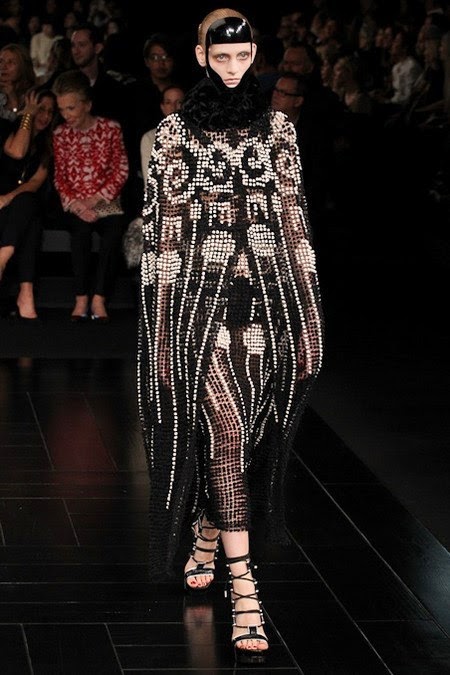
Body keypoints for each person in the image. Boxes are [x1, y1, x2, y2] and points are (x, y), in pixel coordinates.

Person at [137, 8, 323, 666]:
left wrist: (308, 314)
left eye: (243, 57)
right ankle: (246, 591)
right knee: (225, 431)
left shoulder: (279, 130)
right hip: (202, 310)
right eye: (222, 57)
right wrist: (162, 331)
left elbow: (295, 220)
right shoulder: (174, 135)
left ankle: (209, 534)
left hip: (266, 305)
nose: (235, 68)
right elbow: (162, 234)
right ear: (201, 56)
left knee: (245, 439)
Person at [52, 69, 128, 322]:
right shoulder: (60, 134)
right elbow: (60, 177)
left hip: (106, 203)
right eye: (62, 109)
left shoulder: (110, 129)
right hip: (75, 205)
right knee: (80, 234)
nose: (66, 115)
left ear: (87, 104)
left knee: (113, 233)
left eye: (71, 108)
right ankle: (81, 297)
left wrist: (95, 201)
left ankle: (99, 298)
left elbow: (121, 169)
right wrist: (77, 205)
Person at [0, 87, 56, 320]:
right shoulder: (6, 128)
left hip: (17, 205)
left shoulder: (48, 144)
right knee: (31, 222)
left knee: (28, 201)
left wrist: (8, 197)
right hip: (3, 209)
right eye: (40, 109)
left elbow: (35, 182)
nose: (45, 116)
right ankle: (26, 294)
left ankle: (2, 260)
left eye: (50, 112)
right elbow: (17, 152)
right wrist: (27, 116)